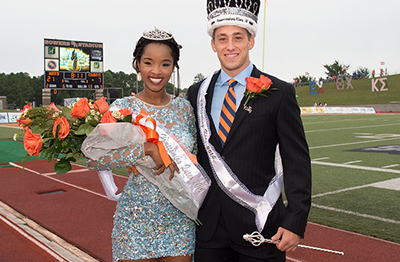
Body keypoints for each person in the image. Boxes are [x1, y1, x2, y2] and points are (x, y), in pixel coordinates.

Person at [187, 1, 312, 262]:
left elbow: (296, 161)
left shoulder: (279, 93)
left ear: (251, 41)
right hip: (208, 228)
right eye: (222, 38)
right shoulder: (196, 93)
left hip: (259, 226)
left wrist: (296, 221)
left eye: (238, 38)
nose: (230, 46)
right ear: (213, 44)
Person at [86, 28, 197, 262]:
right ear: (137, 65)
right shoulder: (123, 108)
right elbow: (93, 159)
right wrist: (144, 150)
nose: (156, 71)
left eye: (165, 64)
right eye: (148, 62)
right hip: (137, 218)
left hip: (179, 219)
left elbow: (193, 160)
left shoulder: (185, 109)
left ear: (174, 67)